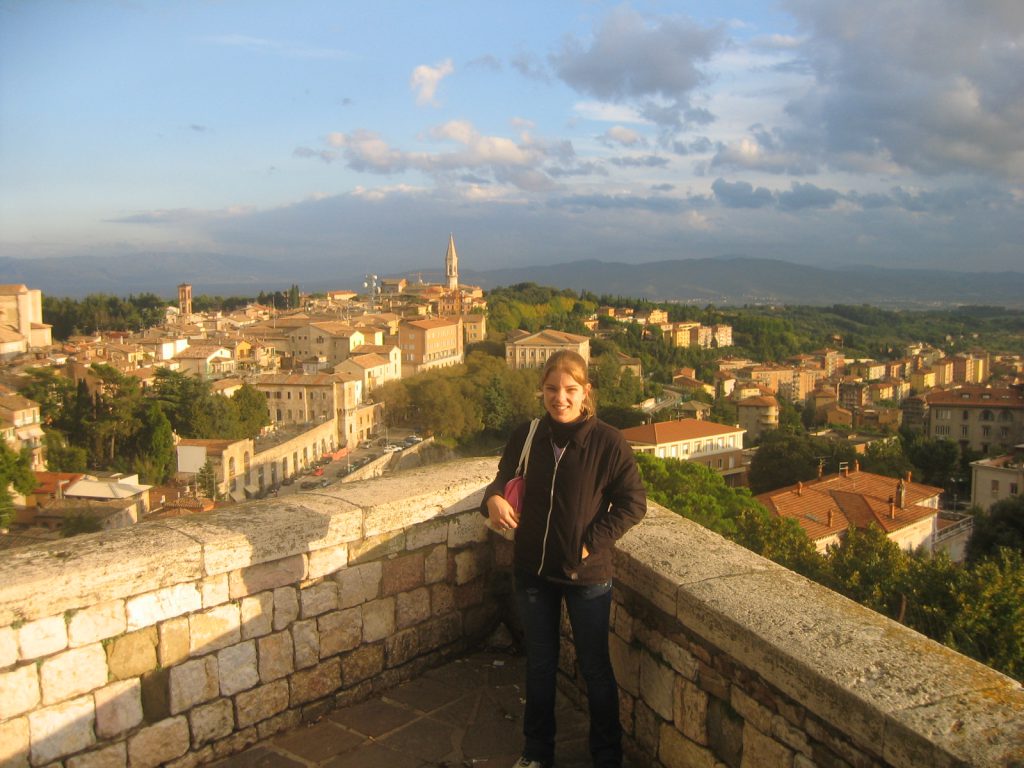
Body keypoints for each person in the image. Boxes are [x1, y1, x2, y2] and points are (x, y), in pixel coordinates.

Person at [481, 350, 647, 768]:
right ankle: (536, 754)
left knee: (595, 670)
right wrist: (494, 498)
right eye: (553, 389)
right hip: (533, 571)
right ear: (542, 390)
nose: (561, 398)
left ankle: (607, 758)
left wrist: (592, 541)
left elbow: (633, 503)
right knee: (540, 665)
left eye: (570, 390)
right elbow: (501, 477)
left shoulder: (607, 441)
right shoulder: (528, 434)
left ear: (586, 392)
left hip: (587, 576)